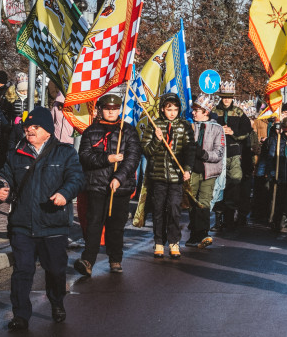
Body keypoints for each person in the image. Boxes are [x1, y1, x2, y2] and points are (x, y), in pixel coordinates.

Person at [0, 106, 85, 330]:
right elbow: (2, 177)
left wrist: (65, 193)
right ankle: (20, 315)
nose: (30, 131)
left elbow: (77, 178)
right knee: (22, 271)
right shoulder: (16, 153)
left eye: (35, 127)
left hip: (53, 224)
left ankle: (57, 300)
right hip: (22, 224)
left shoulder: (65, 152)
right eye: (27, 127)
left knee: (55, 270)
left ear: (48, 131)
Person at [75, 94, 141, 275]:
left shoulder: (128, 131)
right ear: (100, 110)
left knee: (116, 225)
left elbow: (133, 158)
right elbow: (85, 157)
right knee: (94, 223)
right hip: (97, 185)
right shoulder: (90, 131)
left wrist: (119, 177)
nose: (111, 112)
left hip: (121, 186)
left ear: (119, 109)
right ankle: (88, 260)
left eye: (114, 108)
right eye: (107, 108)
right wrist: (107, 159)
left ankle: (115, 259)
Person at [142, 93, 196, 259]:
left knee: (174, 208)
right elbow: (146, 150)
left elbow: (190, 149)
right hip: (158, 176)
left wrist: (187, 169)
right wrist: (157, 140)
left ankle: (174, 241)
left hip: (176, 177)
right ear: (162, 109)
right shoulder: (154, 124)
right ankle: (159, 241)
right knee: (158, 210)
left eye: (175, 109)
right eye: (168, 109)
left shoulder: (184, 125)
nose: (172, 112)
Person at [187, 96, 225, 248]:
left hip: (208, 171)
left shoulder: (217, 128)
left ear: (206, 112)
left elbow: (219, 152)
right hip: (192, 171)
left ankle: (202, 234)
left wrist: (204, 154)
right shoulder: (190, 126)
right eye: (194, 110)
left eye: (197, 111)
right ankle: (193, 233)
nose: (194, 113)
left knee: (203, 202)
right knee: (191, 202)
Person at [213, 81, 252, 230]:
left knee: (234, 184)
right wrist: (218, 129)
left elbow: (246, 132)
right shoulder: (214, 112)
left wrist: (233, 133)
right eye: (224, 97)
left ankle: (229, 218)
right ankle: (217, 218)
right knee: (217, 186)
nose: (226, 100)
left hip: (234, 154)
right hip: (217, 154)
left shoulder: (239, 113)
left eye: (228, 97)